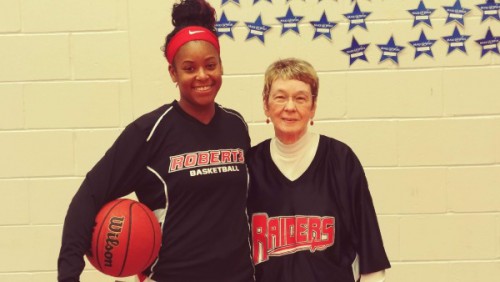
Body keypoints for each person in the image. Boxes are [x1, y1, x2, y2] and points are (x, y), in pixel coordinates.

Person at [57, 0, 254, 281]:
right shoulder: (150, 132)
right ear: (173, 73)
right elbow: (89, 195)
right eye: (189, 68)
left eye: (210, 65)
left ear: (221, 66)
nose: (202, 76)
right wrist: (69, 274)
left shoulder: (236, 125)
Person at [246, 58, 391, 282]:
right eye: (280, 97)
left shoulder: (341, 161)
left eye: (301, 98)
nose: (290, 107)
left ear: (313, 107)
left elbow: (371, 258)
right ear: (266, 104)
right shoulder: (249, 166)